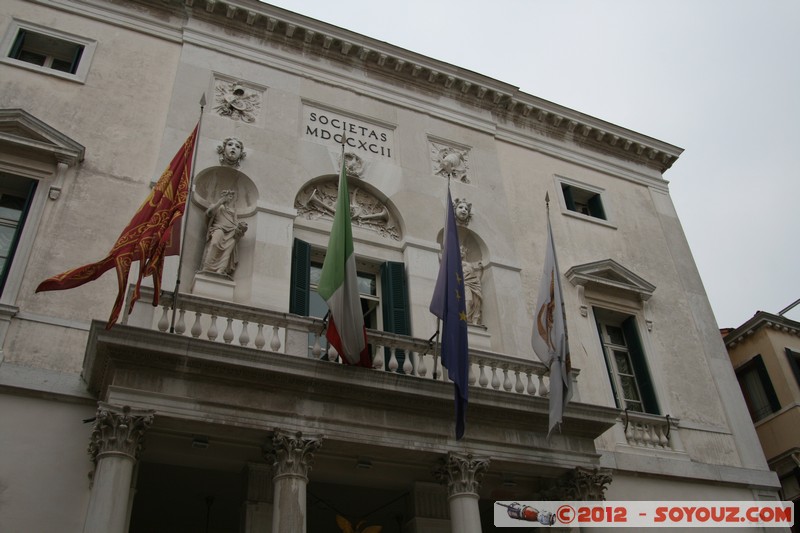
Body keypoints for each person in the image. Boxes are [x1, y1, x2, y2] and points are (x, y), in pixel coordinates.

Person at [200, 189, 247, 277]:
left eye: (231, 197)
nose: (230, 198)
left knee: (227, 252)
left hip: (231, 231)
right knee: (214, 244)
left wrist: (241, 228)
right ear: (223, 196)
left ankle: (220, 270)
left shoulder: (233, 211)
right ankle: (206, 268)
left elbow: (235, 222)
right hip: (219, 228)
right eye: (229, 196)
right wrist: (220, 202)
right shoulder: (216, 206)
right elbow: (209, 213)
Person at [460, 245, 484, 325]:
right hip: (465, 283)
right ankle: (464, 319)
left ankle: (474, 320)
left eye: (463, 251)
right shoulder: (457, 263)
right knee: (469, 300)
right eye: (460, 251)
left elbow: (476, 276)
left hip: (474, 283)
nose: (461, 252)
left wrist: (480, 270)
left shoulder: (470, 264)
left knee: (476, 302)